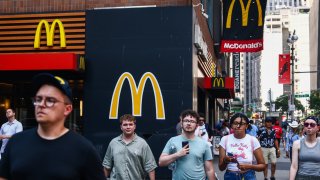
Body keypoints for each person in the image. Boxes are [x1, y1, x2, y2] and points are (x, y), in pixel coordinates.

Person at [0, 73, 105, 179]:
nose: (41, 104)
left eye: (50, 100)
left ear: (67, 109)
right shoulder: (16, 143)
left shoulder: (84, 149)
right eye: (38, 99)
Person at [159, 109, 215, 180]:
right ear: (181, 124)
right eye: (186, 121)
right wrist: (177, 154)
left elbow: (209, 170)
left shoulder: (204, 144)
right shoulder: (173, 141)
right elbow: (161, 162)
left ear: (197, 126)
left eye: (192, 121)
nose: (189, 123)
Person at [103, 114, 157, 180]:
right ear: (121, 127)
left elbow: (150, 166)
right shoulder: (113, 143)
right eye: (125, 124)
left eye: (130, 124)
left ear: (134, 126)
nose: (128, 127)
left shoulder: (142, 143)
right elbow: (107, 166)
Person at [219, 113, 265, 180]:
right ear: (231, 125)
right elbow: (221, 168)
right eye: (235, 123)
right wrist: (225, 160)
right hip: (230, 176)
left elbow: (262, 166)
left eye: (242, 124)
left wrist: (249, 167)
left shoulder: (253, 140)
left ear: (246, 126)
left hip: (249, 176)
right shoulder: (225, 140)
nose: (238, 126)